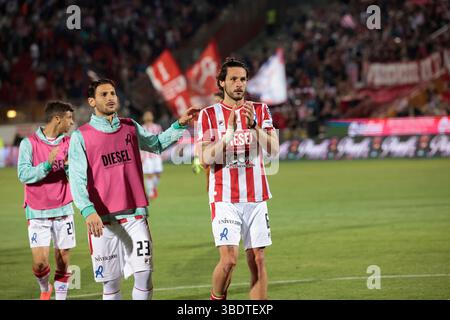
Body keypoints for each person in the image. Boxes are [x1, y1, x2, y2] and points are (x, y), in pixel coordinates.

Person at [68, 79, 199, 300]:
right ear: (92, 101)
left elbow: (155, 144)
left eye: (113, 93)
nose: (110, 98)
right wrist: (88, 211)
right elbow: (76, 179)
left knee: (145, 274)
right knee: (110, 285)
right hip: (103, 220)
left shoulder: (130, 125)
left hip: (135, 215)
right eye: (104, 94)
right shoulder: (81, 136)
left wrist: (179, 125)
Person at [196, 58, 279, 300]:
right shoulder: (208, 115)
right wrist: (229, 134)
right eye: (233, 79)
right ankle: (216, 299)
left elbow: (274, 150)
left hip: (256, 197)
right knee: (229, 261)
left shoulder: (260, 110)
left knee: (258, 259)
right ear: (222, 83)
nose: (239, 84)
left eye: (242, 79)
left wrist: (254, 127)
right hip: (224, 198)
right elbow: (204, 159)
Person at [17, 101, 75, 300]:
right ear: (57, 119)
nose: (72, 123)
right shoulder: (29, 143)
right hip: (37, 211)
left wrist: (69, 167)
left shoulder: (69, 143)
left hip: (64, 208)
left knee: (64, 261)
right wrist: (47, 165)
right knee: (40, 263)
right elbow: (23, 174)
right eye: (69, 118)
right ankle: (44, 288)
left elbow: (76, 174)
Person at [140, 111, 163, 200]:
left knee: (158, 173)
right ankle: (150, 193)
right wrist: (141, 154)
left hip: (156, 154)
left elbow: (160, 139)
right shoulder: (142, 128)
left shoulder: (157, 127)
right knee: (149, 174)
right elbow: (140, 142)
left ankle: (152, 188)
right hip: (146, 155)